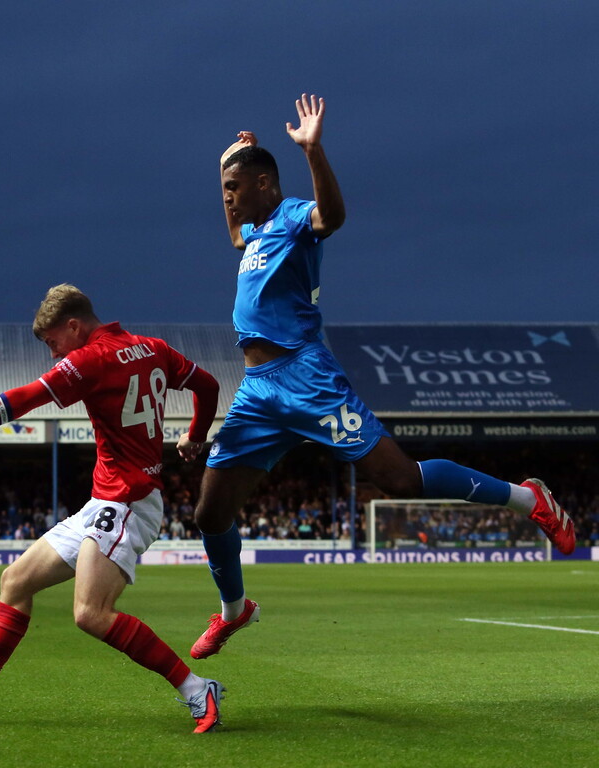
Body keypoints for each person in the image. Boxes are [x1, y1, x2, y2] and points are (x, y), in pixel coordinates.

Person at [188, 93, 577, 660]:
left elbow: (333, 217)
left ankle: (529, 498)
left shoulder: (294, 215)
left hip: (307, 377)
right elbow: (231, 230)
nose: (226, 198)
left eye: (234, 187)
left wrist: (313, 152)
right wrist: (226, 161)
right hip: (258, 392)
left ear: (267, 183)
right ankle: (233, 611)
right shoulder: (250, 235)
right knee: (209, 512)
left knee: (398, 479)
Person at [0, 284, 225, 733]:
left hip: (128, 500)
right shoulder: (153, 347)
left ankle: (195, 688)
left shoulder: (90, 359)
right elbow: (207, 385)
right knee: (15, 581)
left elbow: (22, 399)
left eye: (53, 342)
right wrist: (194, 435)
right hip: (107, 501)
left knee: (90, 614)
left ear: (74, 326)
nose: (54, 355)